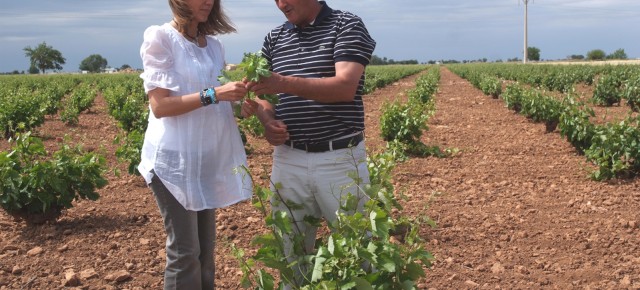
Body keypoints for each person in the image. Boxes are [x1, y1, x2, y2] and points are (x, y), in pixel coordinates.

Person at [245, 0, 376, 286]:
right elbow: (262, 94)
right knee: (290, 252)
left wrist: (283, 82)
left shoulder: (347, 25)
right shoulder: (274, 38)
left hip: (340, 158)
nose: (281, 4)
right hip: (288, 159)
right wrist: (267, 121)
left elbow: (345, 86)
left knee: (358, 250)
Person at [138, 0, 253, 289]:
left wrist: (240, 105)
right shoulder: (161, 38)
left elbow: (219, 102)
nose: (208, 1)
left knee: (206, 251)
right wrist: (214, 93)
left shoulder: (213, 46)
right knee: (185, 253)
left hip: (204, 160)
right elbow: (160, 106)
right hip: (172, 162)